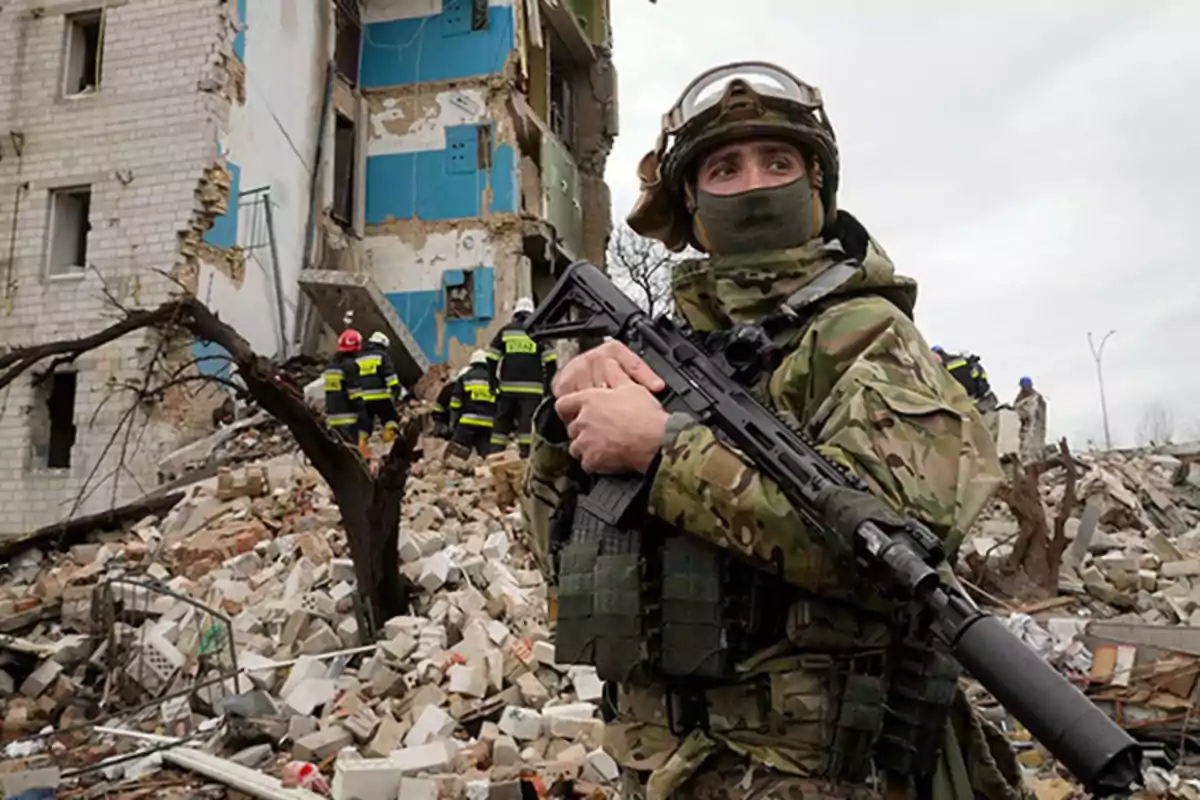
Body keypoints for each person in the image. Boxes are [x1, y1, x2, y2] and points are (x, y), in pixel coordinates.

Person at [524, 62, 1028, 800]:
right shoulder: (662, 351)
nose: (755, 184)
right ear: (690, 203)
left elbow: (897, 560)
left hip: (813, 776)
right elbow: (561, 563)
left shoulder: (865, 338)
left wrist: (664, 453)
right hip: (661, 765)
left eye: (779, 161)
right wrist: (564, 433)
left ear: (817, 189)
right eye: (724, 168)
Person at [486, 296, 558, 457]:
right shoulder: (539, 332)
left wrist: (492, 380)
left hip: (507, 388)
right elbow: (551, 362)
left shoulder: (506, 331)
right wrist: (548, 388)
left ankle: (494, 456)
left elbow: (491, 357)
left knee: (502, 423)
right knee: (527, 425)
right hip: (532, 390)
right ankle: (526, 457)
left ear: (516, 312)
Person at [324, 329, 369, 460]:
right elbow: (354, 392)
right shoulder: (350, 366)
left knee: (339, 454)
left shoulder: (331, 366)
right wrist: (363, 411)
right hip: (348, 418)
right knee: (351, 454)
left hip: (333, 417)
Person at [449, 350, 498, 457]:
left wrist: (454, 421)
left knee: (457, 452)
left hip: (468, 422)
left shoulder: (465, 377)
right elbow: (500, 404)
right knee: (486, 454)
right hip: (488, 424)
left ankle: (454, 471)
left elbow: (455, 402)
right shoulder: (494, 381)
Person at [356, 331, 403, 442]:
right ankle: (388, 444)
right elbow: (389, 375)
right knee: (390, 419)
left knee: (364, 426)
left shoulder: (359, 358)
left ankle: (360, 450)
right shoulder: (382, 356)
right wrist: (396, 389)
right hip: (380, 397)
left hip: (362, 399)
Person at [1014, 376, 1047, 464]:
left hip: (1034, 427)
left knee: (1032, 447)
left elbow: (1030, 414)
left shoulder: (1035, 398)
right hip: (1024, 427)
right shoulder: (1020, 397)